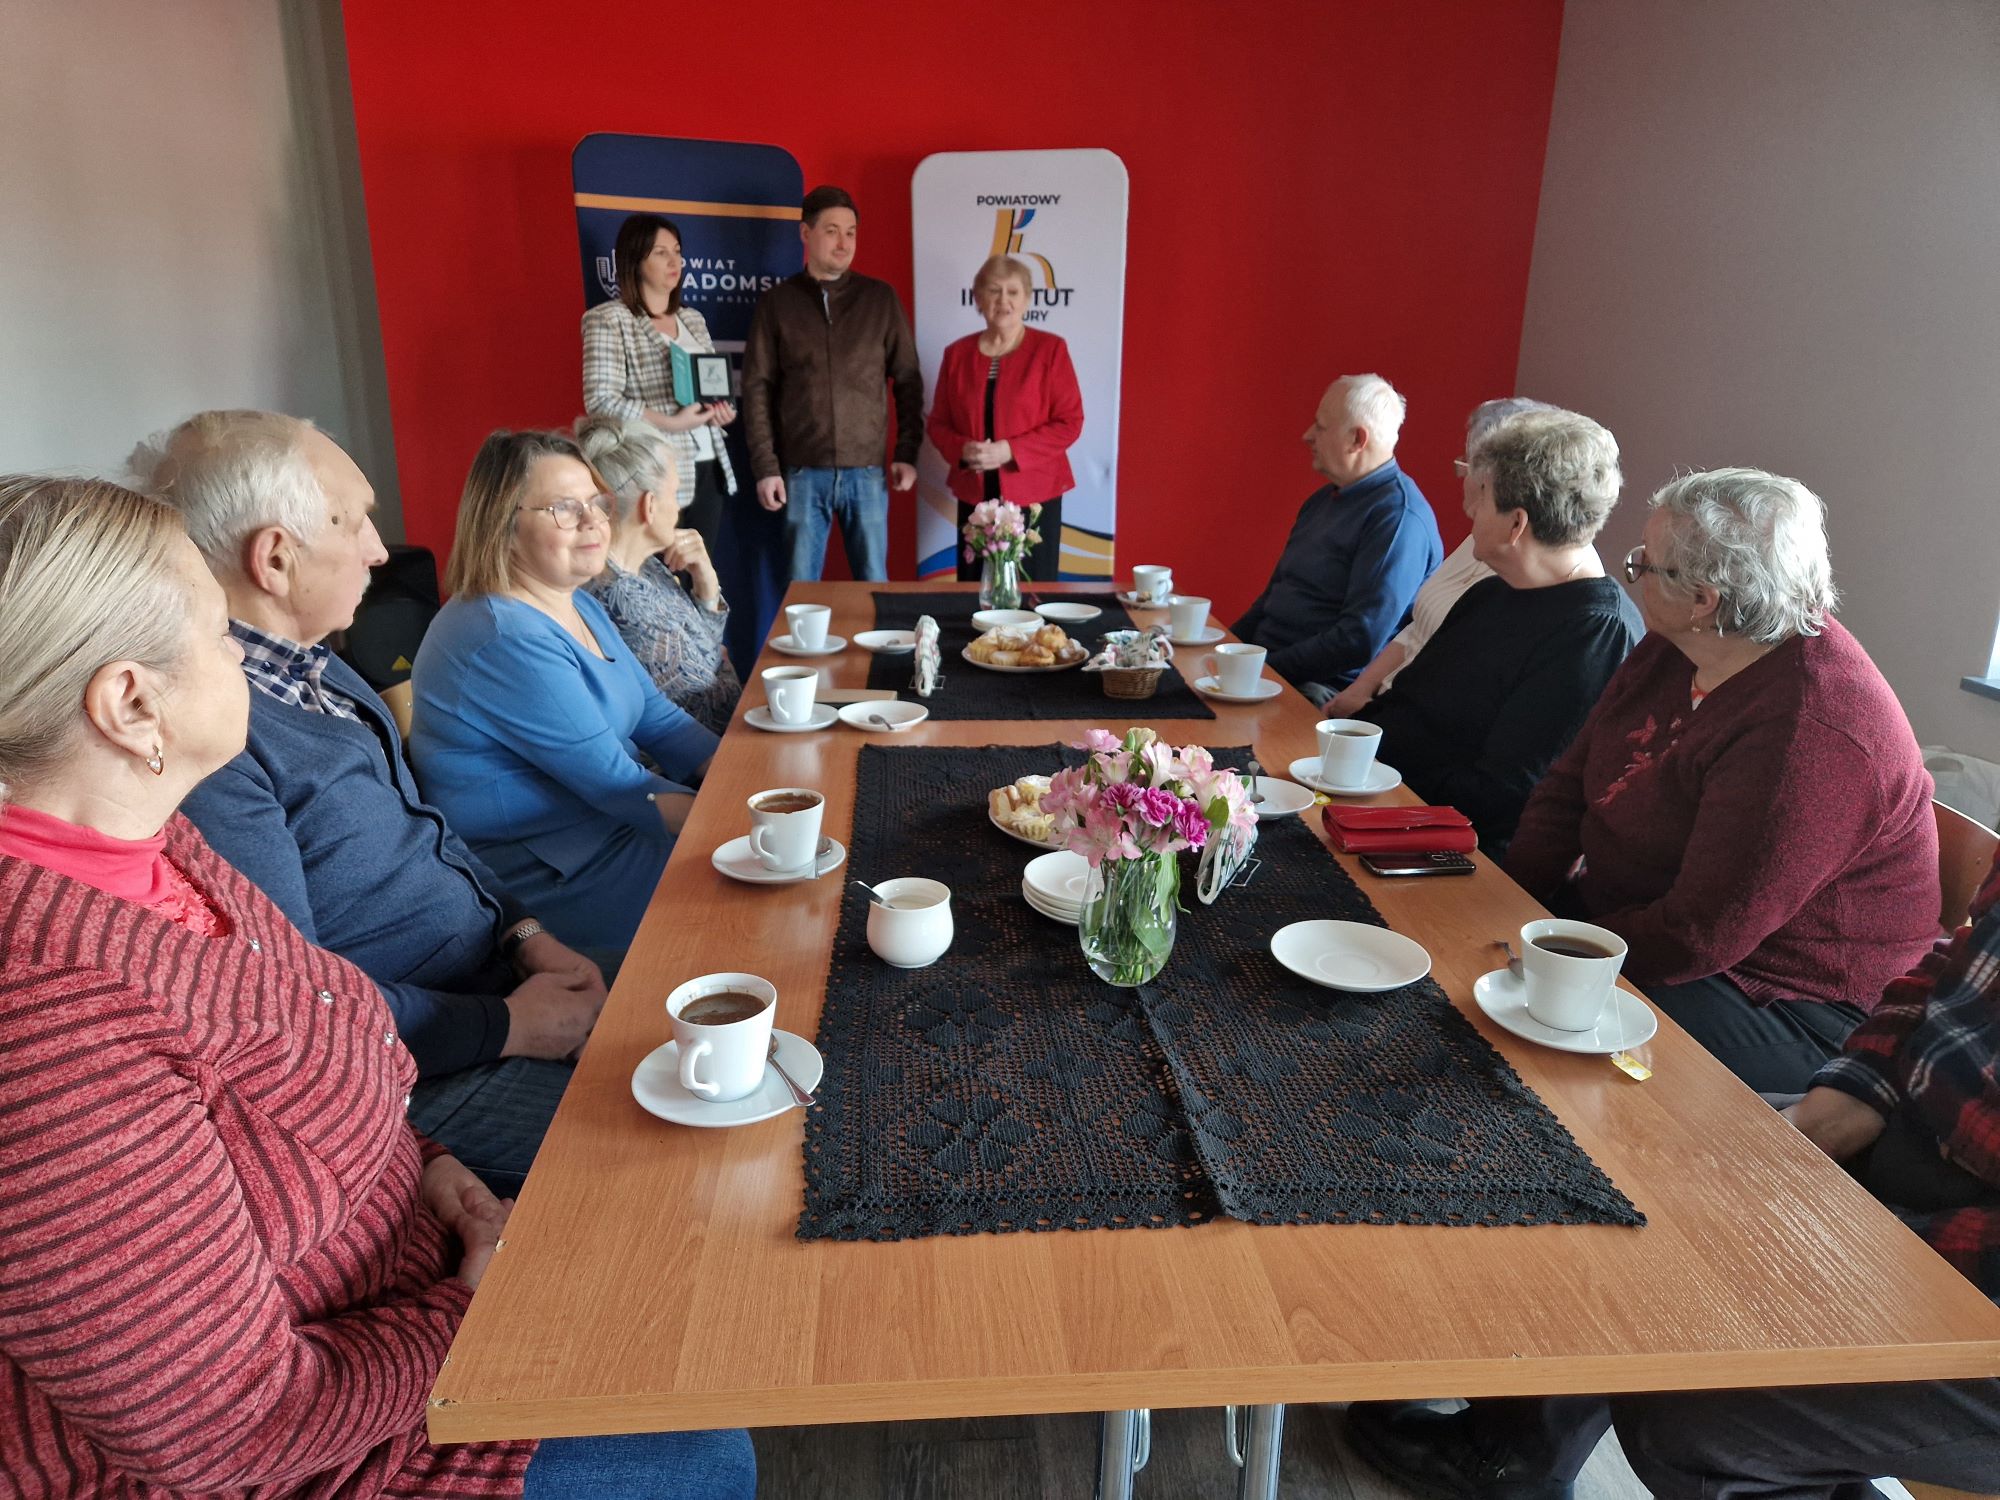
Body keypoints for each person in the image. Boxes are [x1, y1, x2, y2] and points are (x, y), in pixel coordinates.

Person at [0, 474, 754, 1499]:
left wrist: (428, 1169)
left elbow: (322, 1057)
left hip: (412, 1267)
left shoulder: (162, 849)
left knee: (688, 1300)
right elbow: (227, 1433)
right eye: (218, 635)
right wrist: (467, 1313)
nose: (243, 655)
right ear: (132, 706)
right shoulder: (49, 1032)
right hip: (330, 1448)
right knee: (698, 1436)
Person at [1346, 846, 2000, 1500]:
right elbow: (1959, 959)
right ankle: (1514, 1456)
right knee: (1615, 1161)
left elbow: (1702, 932)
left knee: (1695, 1416)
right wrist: (1854, 1094)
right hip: (1913, 1122)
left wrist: (1837, 1247)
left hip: (1976, 1258)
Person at [139, 410, 602, 1199]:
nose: (380, 551)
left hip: (497, 986)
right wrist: (511, 1026)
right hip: (429, 1071)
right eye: (354, 521)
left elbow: (433, 836)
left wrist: (526, 934)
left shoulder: (322, 669)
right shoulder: (218, 748)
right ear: (275, 558)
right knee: (677, 1147)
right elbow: (299, 999)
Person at [1507, 467, 1938, 1094]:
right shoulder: (1679, 644)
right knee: (1480, 960)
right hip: (1635, 928)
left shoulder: (1810, 730)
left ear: (1703, 600)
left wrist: (1552, 953)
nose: (1634, 573)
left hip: (1785, 997)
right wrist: (1514, 901)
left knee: (1544, 1049)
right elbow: (1569, 786)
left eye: (1645, 564)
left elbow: (1700, 935)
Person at [409, 431, 719, 968]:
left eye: (596, 503)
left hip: (609, 831)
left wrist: (743, 778)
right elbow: (618, 786)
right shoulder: (502, 635)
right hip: (559, 877)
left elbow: (659, 719)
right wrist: (740, 816)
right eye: (564, 508)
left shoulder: (574, 602)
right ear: (503, 527)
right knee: (754, 905)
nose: (593, 520)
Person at [1356, 408, 1642, 855]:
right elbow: (1403, 706)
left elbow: (1501, 796)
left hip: (1452, 847)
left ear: (1516, 524)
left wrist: (1377, 780)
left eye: (1483, 495)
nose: (1470, 509)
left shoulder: (1596, 632)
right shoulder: (1491, 592)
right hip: (1380, 799)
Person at [1325, 396, 1554, 718]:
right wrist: (1359, 690)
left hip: (1404, 719)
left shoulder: (1519, 573)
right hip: (1381, 704)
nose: (1463, 479)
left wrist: (1371, 713)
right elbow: (1417, 628)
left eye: (1467, 466)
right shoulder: (1476, 541)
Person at [741, 184, 923, 582]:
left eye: (851, 232)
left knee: (874, 586)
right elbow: (756, 388)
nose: (844, 243)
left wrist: (907, 452)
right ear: (806, 233)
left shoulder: (879, 300)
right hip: (802, 473)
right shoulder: (778, 303)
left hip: (868, 473)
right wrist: (766, 467)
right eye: (832, 231)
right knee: (801, 593)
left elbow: (908, 378)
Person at [1231, 373, 1442, 703]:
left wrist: (1263, 670)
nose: (1307, 436)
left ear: (1357, 439)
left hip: (1320, 690)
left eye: (1321, 427)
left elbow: (1357, 640)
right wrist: (1225, 650)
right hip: (1269, 671)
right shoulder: (1322, 501)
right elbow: (1272, 598)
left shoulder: (1398, 519)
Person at [574, 412, 741, 734]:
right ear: (648, 505)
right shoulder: (621, 596)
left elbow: (707, 651)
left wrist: (707, 586)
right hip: (700, 756)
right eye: (675, 494)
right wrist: (721, 663)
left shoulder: (646, 567)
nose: (679, 507)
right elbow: (713, 703)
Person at [926, 254, 1084, 585]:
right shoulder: (956, 354)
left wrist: (1010, 450)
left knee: (1033, 593)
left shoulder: (1051, 350)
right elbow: (938, 423)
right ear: (978, 298)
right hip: (975, 495)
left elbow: (1069, 421)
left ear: (1027, 299)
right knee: (976, 591)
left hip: (1034, 495)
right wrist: (962, 450)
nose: (1003, 300)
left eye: (1013, 292)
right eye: (994, 291)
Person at [580, 212, 738, 546]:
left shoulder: (693, 319)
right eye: (661, 252)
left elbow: (713, 384)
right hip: (653, 471)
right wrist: (670, 423)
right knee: (659, 570)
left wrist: (722, 411)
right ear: (636, 261)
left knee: (700, 565)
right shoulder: (609, 319)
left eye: (677, 251)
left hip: (708, 464)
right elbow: (600, 401)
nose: (674, 261)